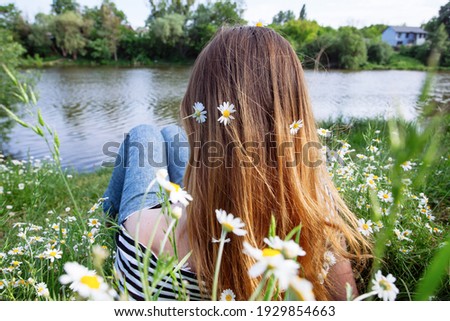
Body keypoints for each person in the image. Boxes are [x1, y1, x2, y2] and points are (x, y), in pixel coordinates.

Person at [103, 26, 371, 301]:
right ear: (297, 117)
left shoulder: (142, 232)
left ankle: (105, 217)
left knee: (143, 134)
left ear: (194, 110)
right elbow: (347, 300)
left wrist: (172, 207)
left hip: (185, 228)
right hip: (226, 210)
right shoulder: (316, 222)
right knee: (171, 136)